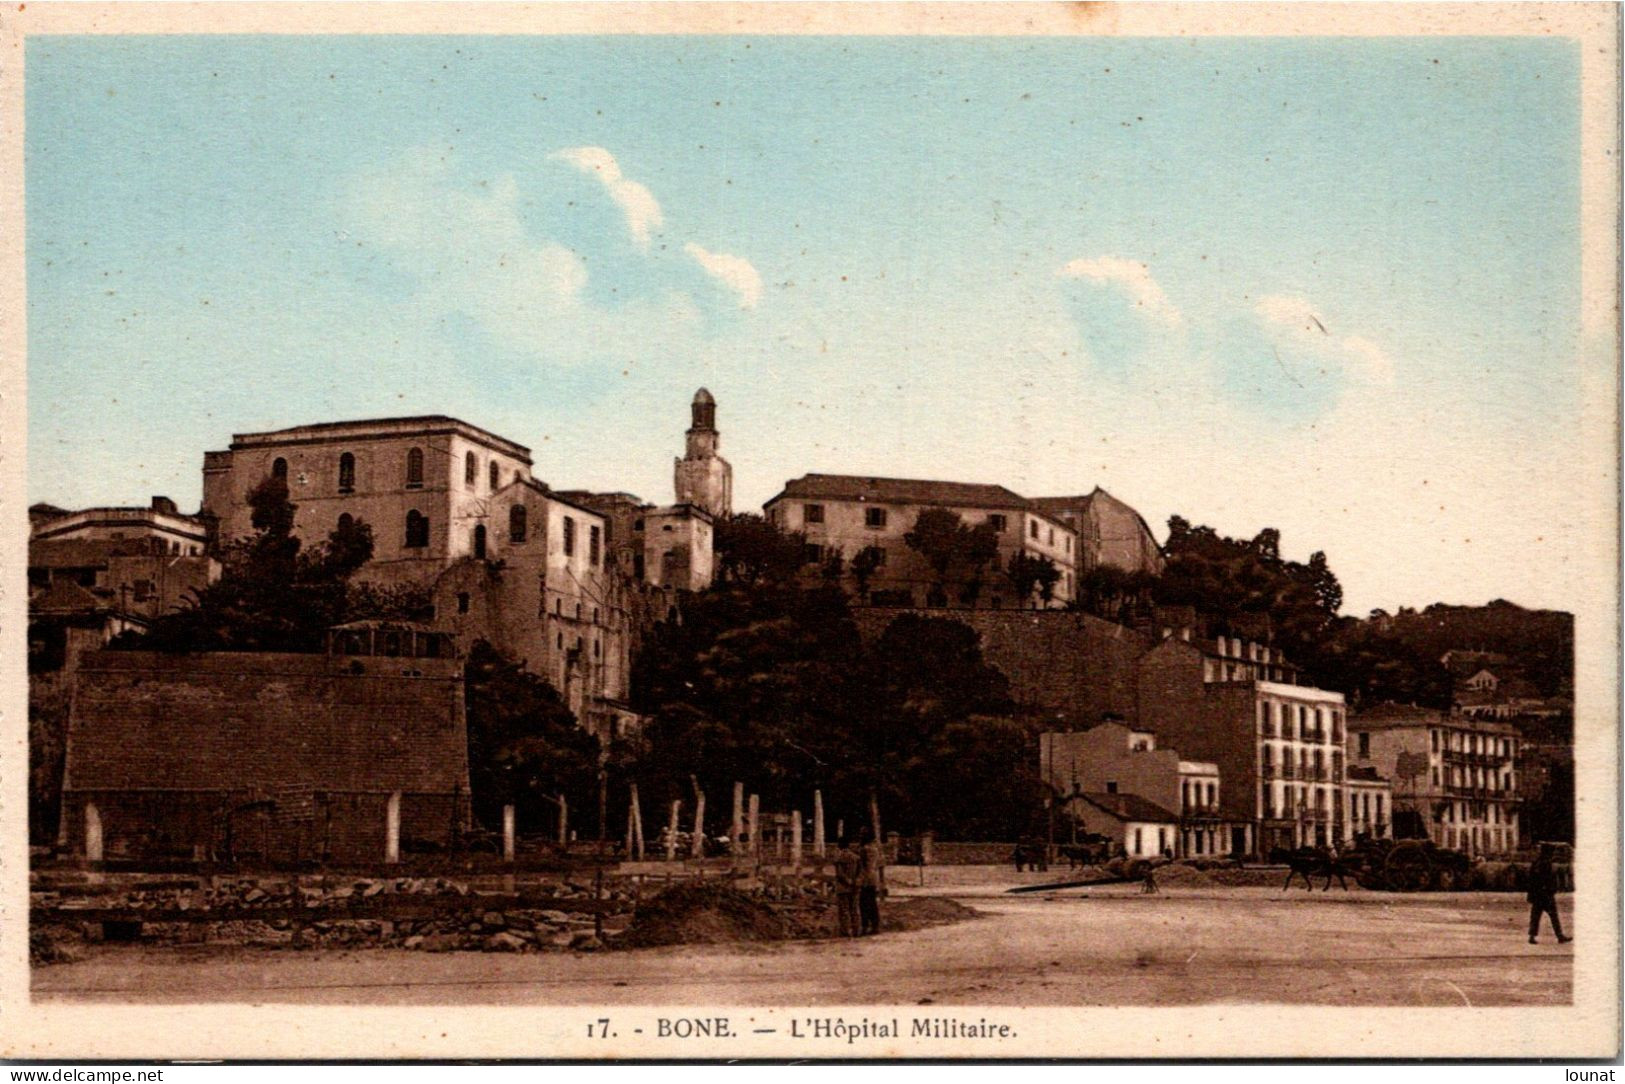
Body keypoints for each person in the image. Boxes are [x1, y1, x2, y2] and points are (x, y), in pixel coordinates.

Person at [1527, 842, 1572, 945]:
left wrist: (1531, 895)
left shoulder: (1536, 862)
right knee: (1554, 916)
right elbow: (1548, 880)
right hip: (1546, 895)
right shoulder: (1546, 863)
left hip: (1537, 895)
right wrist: (1552, 890)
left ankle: (1532, 936)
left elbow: (1532, 879)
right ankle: (1560, 936)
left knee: (1535, 916)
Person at [831, 835, 862, 938]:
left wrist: (847, 881)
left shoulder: (839, 858)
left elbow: (839, 874)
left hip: (843, 887)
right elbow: (860, 872)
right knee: (854, 909)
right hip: (855, 886)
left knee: (844, 910)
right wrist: (855, 881)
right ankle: (856, 930)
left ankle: (845, 931)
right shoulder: (856, 857)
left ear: (839, 845)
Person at [858, 826, 886, 935]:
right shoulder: (875, 849)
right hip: (873, 878)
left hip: (866, 879)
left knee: (863, 903)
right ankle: (875, 925)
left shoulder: (864, 849)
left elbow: (863, 866)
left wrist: (861, 879)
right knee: (872, 903)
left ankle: (865, 926)